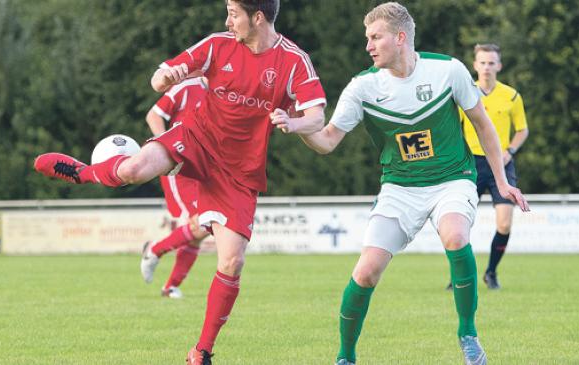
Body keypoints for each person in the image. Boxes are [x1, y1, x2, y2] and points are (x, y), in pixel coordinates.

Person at [34, 0, 326, 363]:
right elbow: (159, 78)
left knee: (232, 263)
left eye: (234, 14)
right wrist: (165, 78)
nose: (227, 20)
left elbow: (316, 115)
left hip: (238, 171)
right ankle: (83, 172)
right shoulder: (217, 45)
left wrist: (293, 122)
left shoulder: (293, 60)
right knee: (132, 169)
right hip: (196, 138)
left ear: (258, 17)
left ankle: (201, 352)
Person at [281, 2, 529, 364]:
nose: (368, 45)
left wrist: (503, 182)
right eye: (367, 38)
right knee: (366, 272)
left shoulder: (448, 71)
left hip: (452, 180)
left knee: (456, 236)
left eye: (375, 37)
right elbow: (328, 140)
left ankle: (468, 334)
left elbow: (482, 124)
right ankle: (345, 356)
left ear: (400, 38)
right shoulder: (362, 87)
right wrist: (298, 125)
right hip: (398, 188)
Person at [460, 43, 529, 290]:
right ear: (475, 65)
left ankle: (490, 272)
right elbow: (453, 129)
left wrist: (509, 150)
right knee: (458, 225)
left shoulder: (511, 96)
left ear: (499, 66)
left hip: (501, 163)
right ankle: (460, 276)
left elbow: (522, 130)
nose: (487, 67)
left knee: (504, 223)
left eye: (491, 63)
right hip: (471, 164)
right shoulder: (465, 94)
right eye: (483, 62)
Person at [141, 76, 211, 299]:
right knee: (202, 223)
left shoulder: (226, 93)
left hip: (204, 168)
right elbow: (153, 115)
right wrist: (166, 148)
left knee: (202, 229)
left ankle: (170, 286)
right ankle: (154, 250)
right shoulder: (187, 87)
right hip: (180, 167)